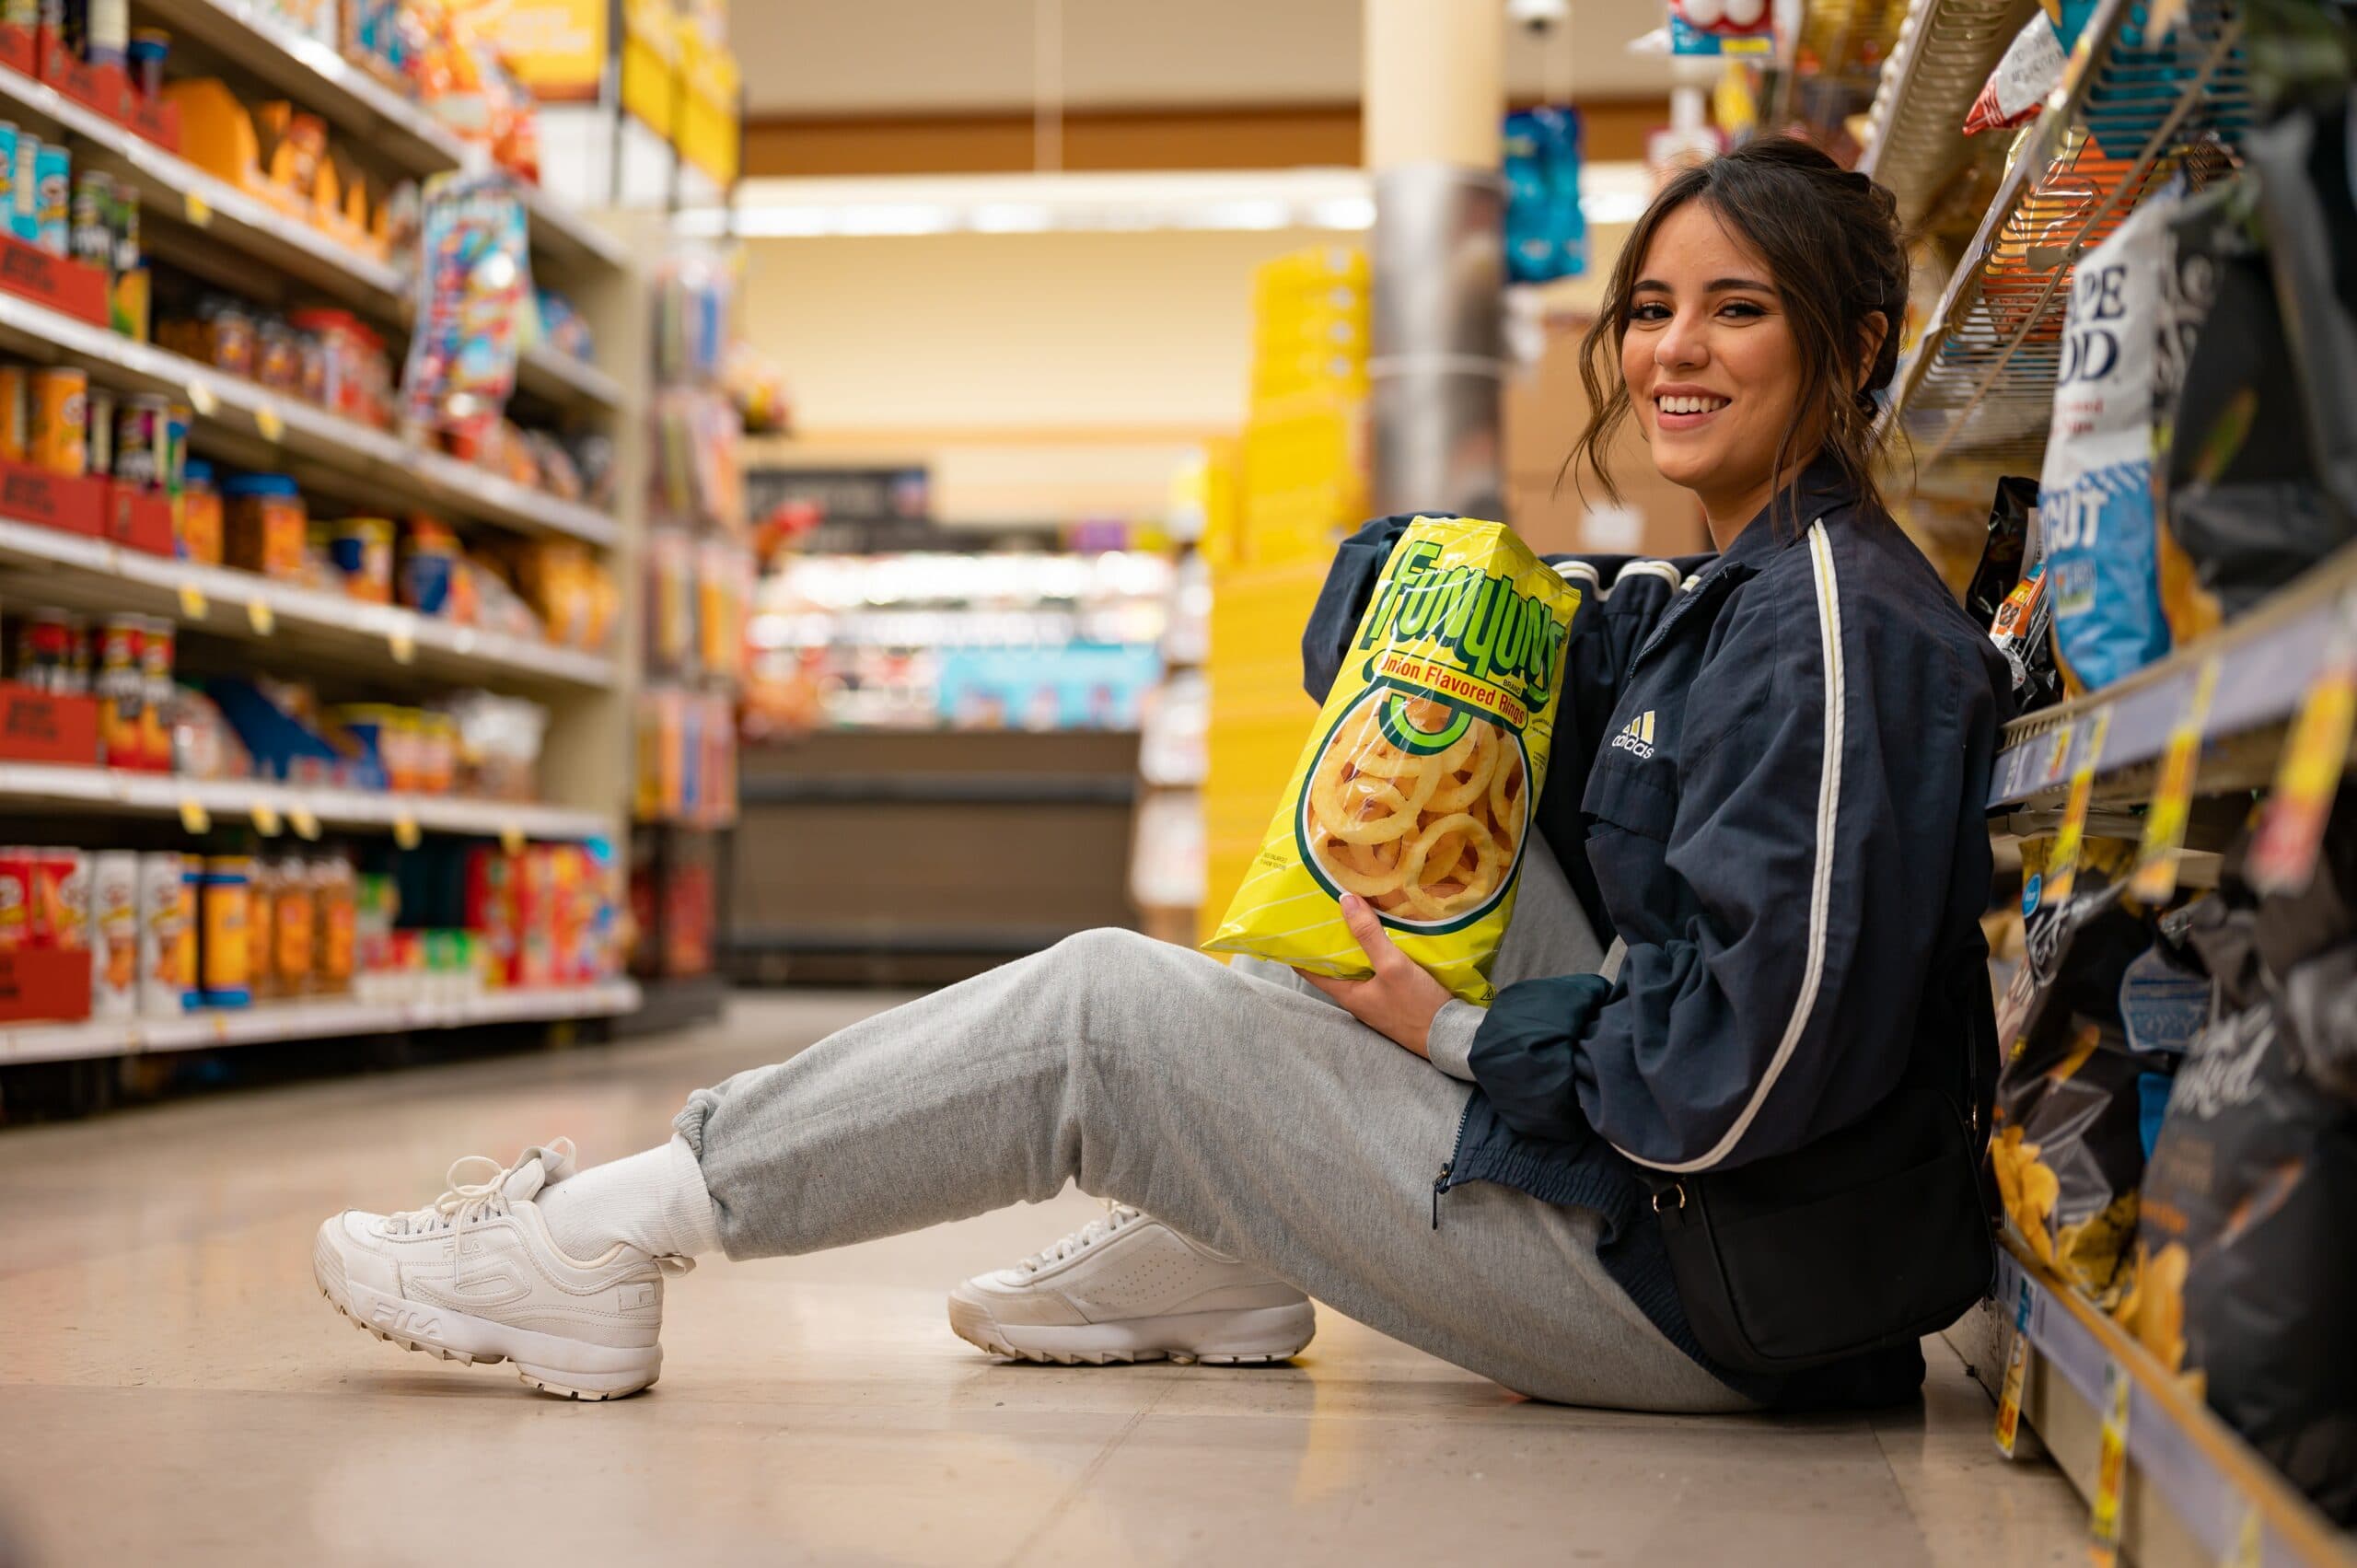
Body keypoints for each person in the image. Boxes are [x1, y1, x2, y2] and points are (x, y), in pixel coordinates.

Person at [312, 137, 2010, 1409]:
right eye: (1650, 310)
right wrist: (1424, 605)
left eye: (1737, 311)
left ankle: (601, 1241)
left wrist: (1451, 1034)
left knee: (1104, 1017)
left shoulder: (1835, 634)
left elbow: (1740, 1073)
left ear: (1853, 348)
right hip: (1717, 1234)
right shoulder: (1730, 597)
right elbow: (1518, 693)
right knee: (1374, 822)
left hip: (1716, 1290)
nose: (1671, 354)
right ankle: (1229, 1237)